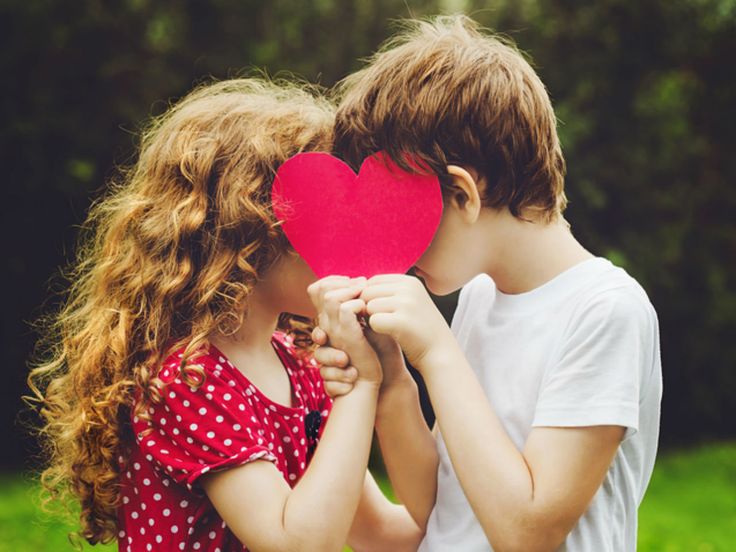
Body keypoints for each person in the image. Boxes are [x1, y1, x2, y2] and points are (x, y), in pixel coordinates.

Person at [313, 15, 663, 551]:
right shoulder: (480, 296)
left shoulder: (605, 311)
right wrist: (390, 382)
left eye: (399, 219)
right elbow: (440, 501)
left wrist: (437, 353)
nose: (394, 254)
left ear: (462, 194)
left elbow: (528, 532)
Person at [27, 78, 421, 552]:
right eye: (324, 215)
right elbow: (294, 544)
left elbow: (384, 536)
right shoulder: (186, 379)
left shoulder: (302, 367)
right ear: (252, 233)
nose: (347, 240)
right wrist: (361, 389)